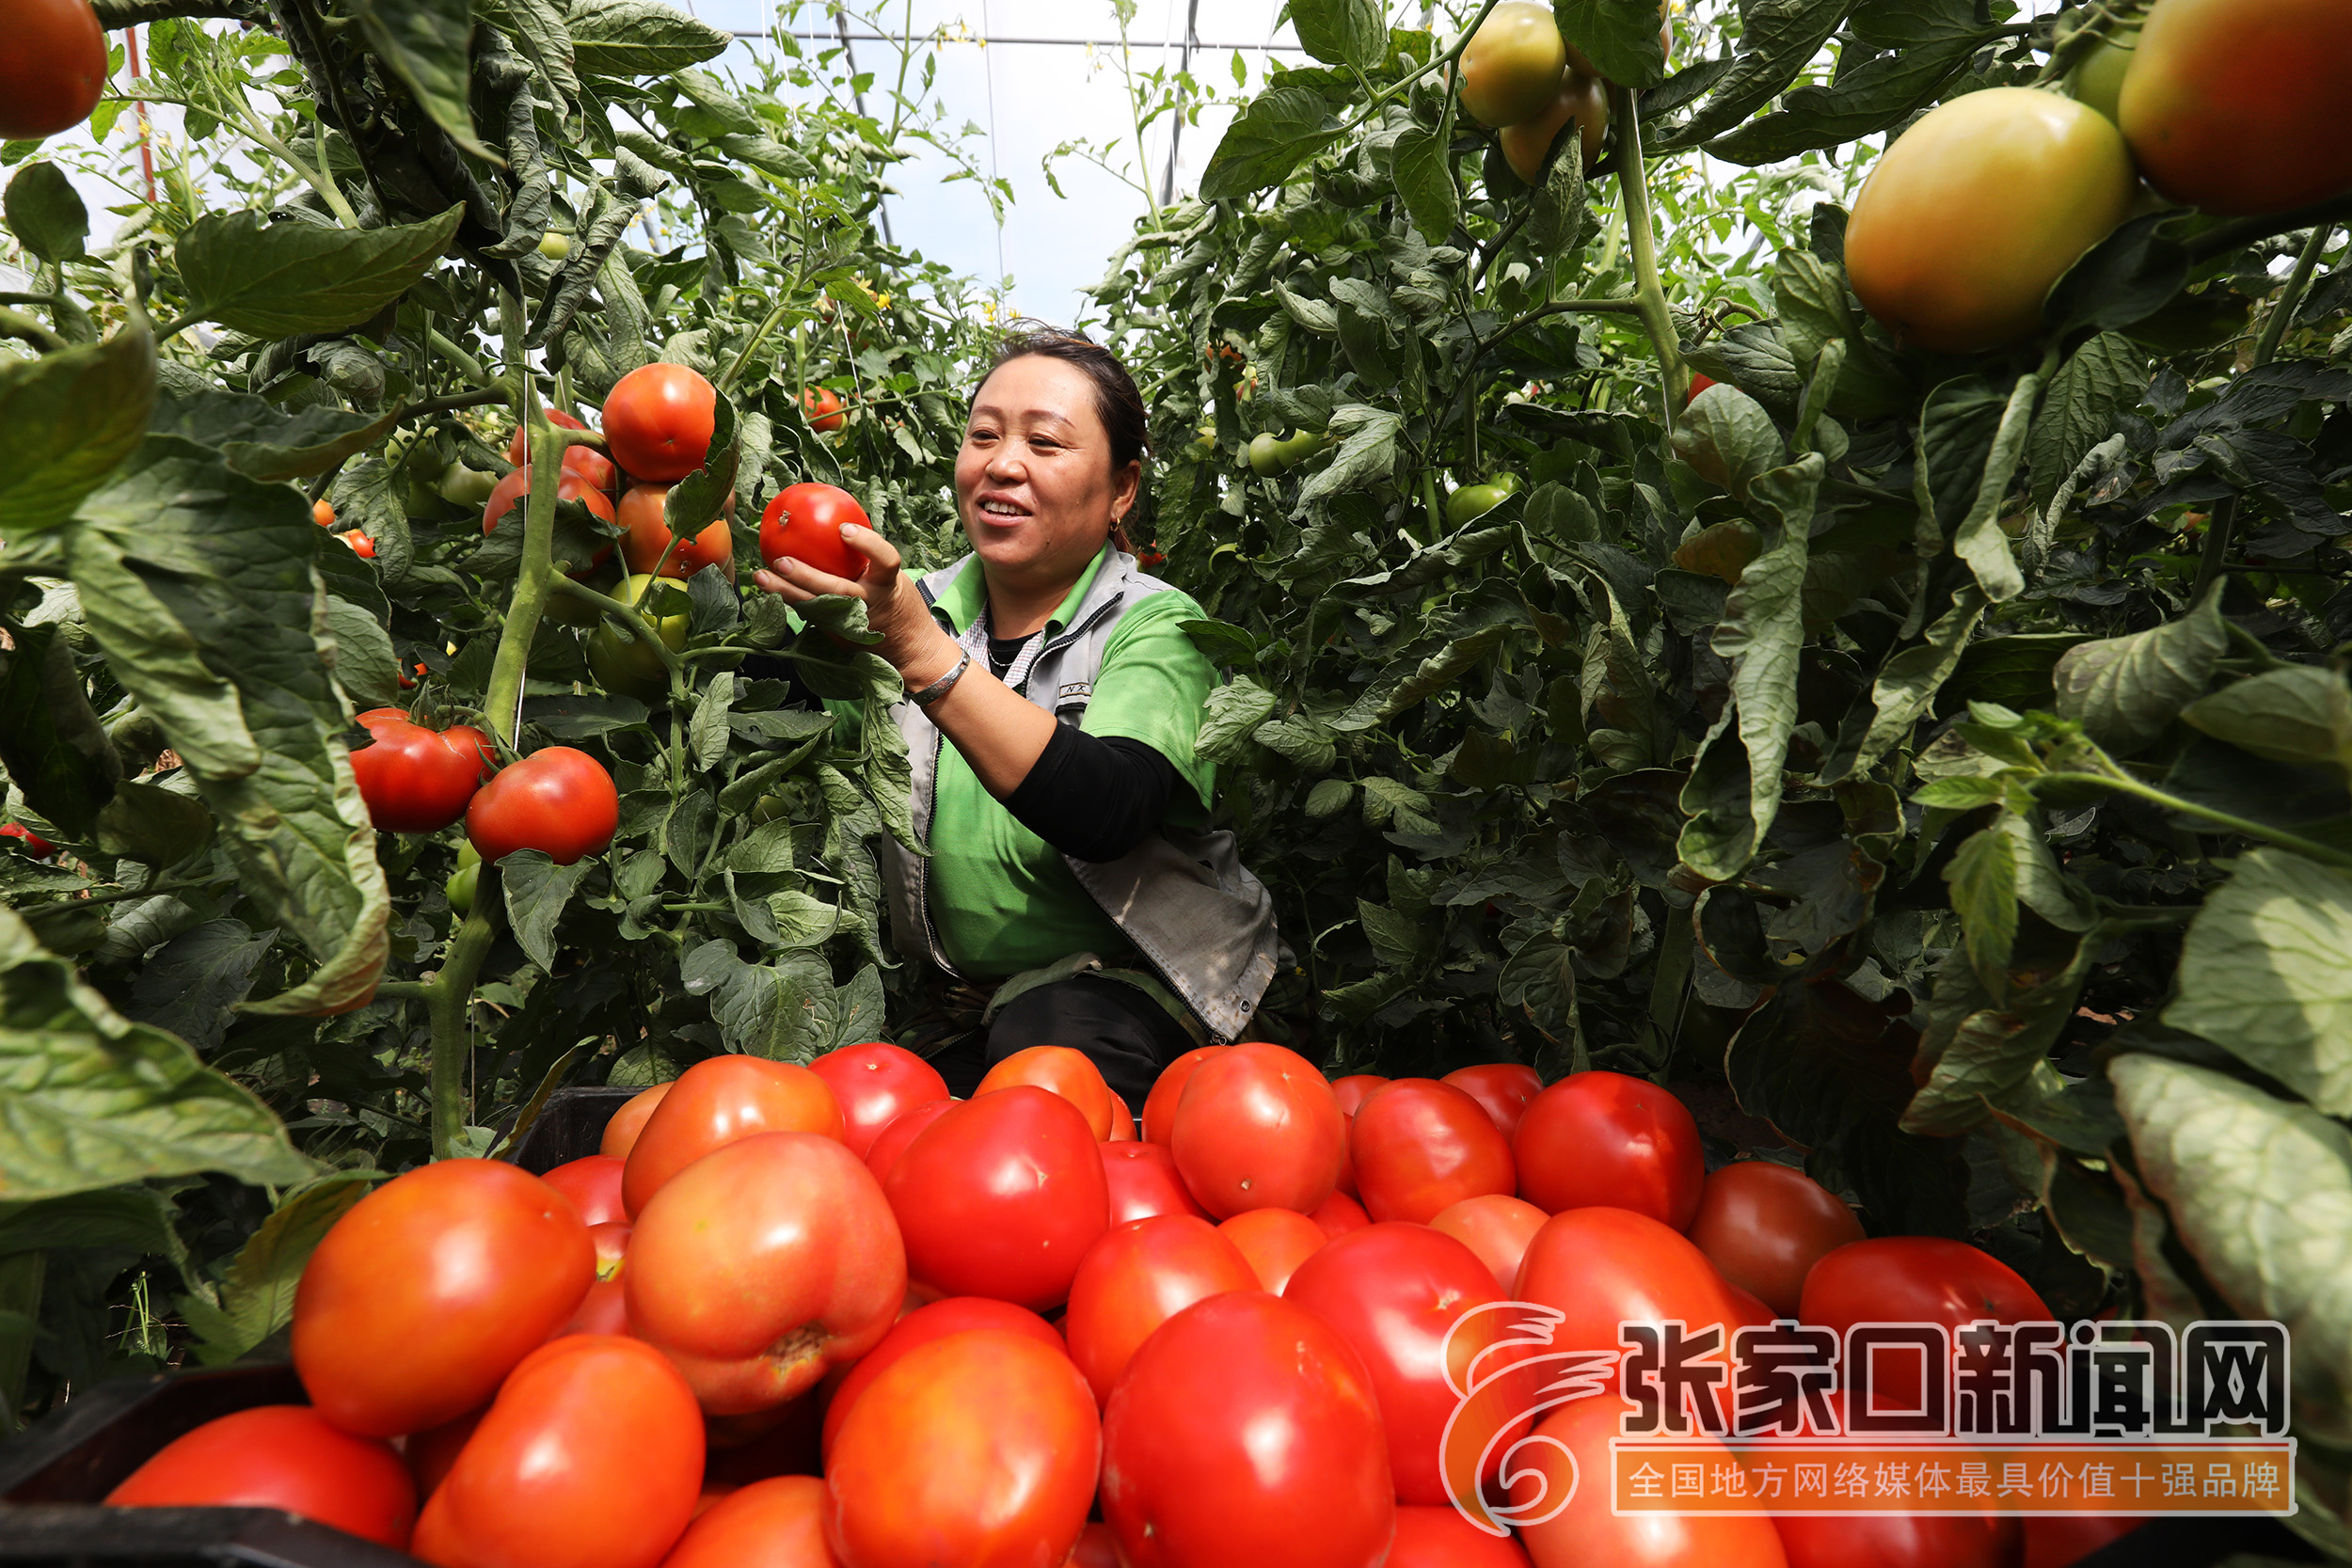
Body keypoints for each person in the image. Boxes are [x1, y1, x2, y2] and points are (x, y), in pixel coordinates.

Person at [753, 325, 1279, 1111]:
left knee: (1047, 1055)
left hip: (1139, 984)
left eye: (1046, 442)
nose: (1002, 462)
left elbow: (1108, 808)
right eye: (984, 435)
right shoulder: (914, 605)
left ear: (1122, 489)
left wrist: (921, 654)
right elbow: (755, 707)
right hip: (960, 1002)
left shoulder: (1157, 626)